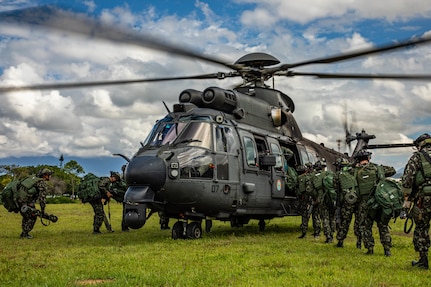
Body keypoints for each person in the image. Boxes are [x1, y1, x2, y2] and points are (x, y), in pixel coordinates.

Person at [353, 149, 395, 256]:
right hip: (378, 202)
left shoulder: (355, 172)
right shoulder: (377, 168)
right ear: (368, 158)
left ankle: (370, 248)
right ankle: (387, 249)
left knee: (366, 226)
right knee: (383, 225)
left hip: (365, 203)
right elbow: (392, 170)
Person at [402, 133, 431, 269]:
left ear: (419, 145)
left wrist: (407, 199)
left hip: (424, 198)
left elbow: (408, 179)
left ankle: (423, 261)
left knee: (422, 228)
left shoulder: (417, 157)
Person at [16, 168, 52, 239]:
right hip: (27, 202)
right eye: (49, 175)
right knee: (32, 217)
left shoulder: (31, 178)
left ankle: (24, 233)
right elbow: (42, 199)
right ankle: (24, 234)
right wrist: (42, 210)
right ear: (45, 175)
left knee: (26, 217)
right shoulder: (41, 182)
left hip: (19, 200)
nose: (50, 177)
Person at [334, 158, 361, 248]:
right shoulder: (355, 171)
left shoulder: (338, 175)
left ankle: (340, 241)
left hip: (346, 201)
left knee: (345, 221)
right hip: (357, 199)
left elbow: (336, 188)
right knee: (358, 221)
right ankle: (359, 242)